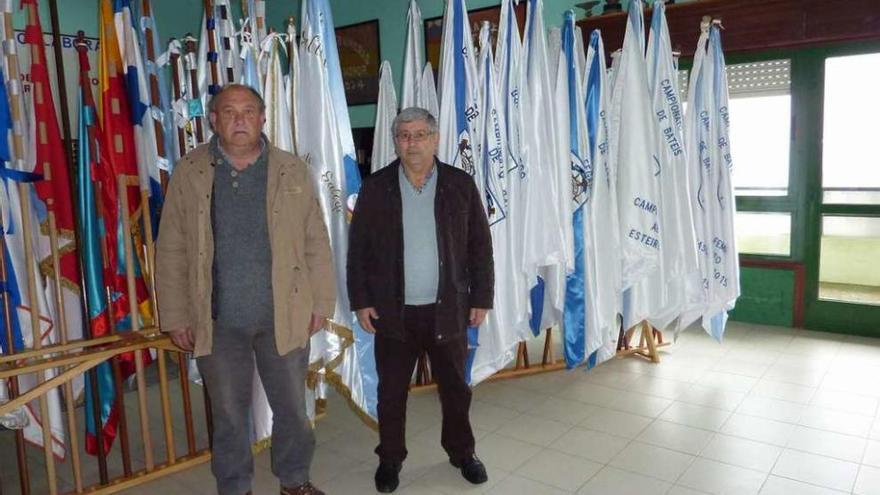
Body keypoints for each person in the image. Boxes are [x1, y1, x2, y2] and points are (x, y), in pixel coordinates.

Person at [156, 84, 334, 495]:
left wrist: (322, 302)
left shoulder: (291, 169)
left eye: (249, 111)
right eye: (229, 112)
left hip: (283, 316)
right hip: (218, 321)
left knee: (292, 408)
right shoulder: (191, 171)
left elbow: (315, 240)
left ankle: (294, 481)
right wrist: (177, 316)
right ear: (213, 119)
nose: (239, 119)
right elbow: (172, 248)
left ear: (263, 117)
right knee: (230, 415)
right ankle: (236, 487)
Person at [347, 107, 494, 493]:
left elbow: (480, 245)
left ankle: (462, 451)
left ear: (435, 138)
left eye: (420, 134)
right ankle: (390, 458)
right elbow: (358, 249)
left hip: (449, 310)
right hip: (393, 314)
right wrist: (361, 301)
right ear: (395, 141)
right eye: (404, 136)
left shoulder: (460, 184)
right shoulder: (376, 187)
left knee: (456, 390)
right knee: (392, 392)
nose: (412, 143)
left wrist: (482, 297)